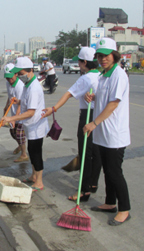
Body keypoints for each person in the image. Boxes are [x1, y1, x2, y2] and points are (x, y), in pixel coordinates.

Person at [42, 47, 102, 202]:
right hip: (100, 117)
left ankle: (84, 190)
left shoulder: (86, 78)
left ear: (84, 62)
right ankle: (93, 183)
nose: (79, 65)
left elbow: (68, 94)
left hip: (88, 117)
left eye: (80, 62)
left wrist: (53, 108)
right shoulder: (102, 75)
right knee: (96, 152)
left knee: (85, 154)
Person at [83, 38, 131, 226]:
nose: (103, 59)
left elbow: (113, 104)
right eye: (100, 56)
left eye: (106, 55)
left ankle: (124, 209)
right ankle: (110, 203)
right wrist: (93, 97)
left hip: (114, 134)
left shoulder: (119, 75)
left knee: (114, 172)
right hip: (102, 133)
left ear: (115, 55)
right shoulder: (103, 76)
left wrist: (93, 123)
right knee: (107, 172)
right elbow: (104, 99)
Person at [3, 57, 49, 192]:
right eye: (18, 74)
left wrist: (12, 118)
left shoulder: (34, 87)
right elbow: (25, 102)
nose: (20, 77)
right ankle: (34, 176)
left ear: (30, 71)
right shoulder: (27, 85)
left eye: (21, 74)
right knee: (31, 150)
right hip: (30, 125)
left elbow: (30, 112)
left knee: (36, 153)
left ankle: (39, 181)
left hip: (36, 125)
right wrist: (17, 101)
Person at [3, 63, 29, 163]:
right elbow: (10, 97)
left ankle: (24, 154)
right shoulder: (8, 83)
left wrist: (15, 118)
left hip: (21, 114)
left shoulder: (20, 86)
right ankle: (20, 146)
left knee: (19, 134)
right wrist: (5, 108)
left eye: (11, 78)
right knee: (13, 132)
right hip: (14, 113)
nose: (9, 80)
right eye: (7, 78)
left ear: (16, 74)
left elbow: (20, 104)